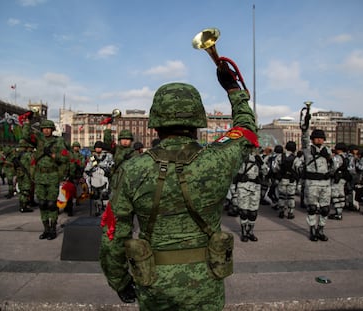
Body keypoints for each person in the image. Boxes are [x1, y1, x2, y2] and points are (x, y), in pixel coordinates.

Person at [99, 63, 258, 310]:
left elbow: (113, 234)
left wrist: (119, 281)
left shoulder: (132, 169)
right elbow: (246, 129)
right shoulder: (218, 159)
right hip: (207, 284)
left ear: (156, 122)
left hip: (154, 286)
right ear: (198, 121)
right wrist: (233, 89)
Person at [21, 119, 70, 240]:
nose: (46, 130)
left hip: (52, 175)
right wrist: (27, 122)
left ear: (52, 130)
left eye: (48, 128)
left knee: (51, 204)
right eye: (44, 128)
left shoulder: (58, 141)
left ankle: (53, 228)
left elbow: (65, 158)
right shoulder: (38, 141)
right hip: (39, 176)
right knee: (42, 204)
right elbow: (26, 136)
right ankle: (46, 228)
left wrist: (54, 155)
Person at [302, 129, 333, 241]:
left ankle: (321, 229)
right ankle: (312, 230)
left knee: (325, 209)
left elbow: (334, 165)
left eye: (321, 138)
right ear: (312, 139)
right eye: (317, 137)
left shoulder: (327, 150)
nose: (319, 139)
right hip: (312, 183)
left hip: (325, 183)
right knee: (312, 208)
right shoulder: (308, 150)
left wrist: (329, 158)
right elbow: (304, 139)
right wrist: (305, 128)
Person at [233, 149, 268, 241]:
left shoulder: (258, 158)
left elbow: (266, 172)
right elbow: (234, 173)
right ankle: (244, 232)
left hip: (255, 187)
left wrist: (261, 163)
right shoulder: (240, 157)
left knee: (253, 212)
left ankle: (251, 231)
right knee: (244, 211)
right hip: (243, 186)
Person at [271, 141, 302, 219]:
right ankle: (290, 213)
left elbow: (274, 168)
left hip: (282, 179)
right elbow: (299, 169)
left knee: (281, 196)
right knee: (291, 197)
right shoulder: (296, 159)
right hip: (291, 180)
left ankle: (281, 211)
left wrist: (279, 173)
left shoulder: (279, 157)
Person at [328, 142, 351, 220]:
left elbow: (334, 167)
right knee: (341, 194)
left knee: (335, 194)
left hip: (337, 177)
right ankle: (340, 212)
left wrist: (330, 173)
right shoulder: (347, 156)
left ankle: (338, 213)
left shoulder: (337, 157)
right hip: (344, 177)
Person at [13, 139, 35, 213]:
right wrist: (32, 176)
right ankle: (24, 206)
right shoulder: (28, 154)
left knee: (21, 190)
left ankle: (21, 205)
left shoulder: (16, 154)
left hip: (19, 173)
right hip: (26, 174)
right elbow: (32, 165)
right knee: (26, 190)